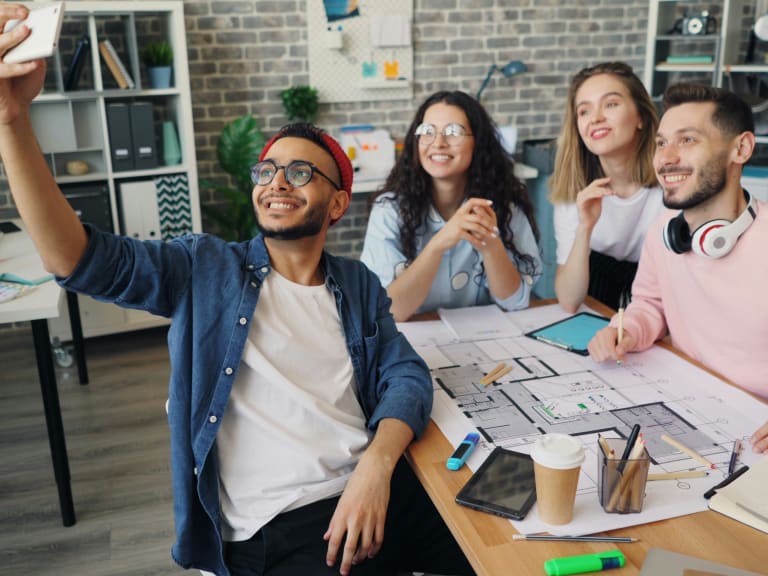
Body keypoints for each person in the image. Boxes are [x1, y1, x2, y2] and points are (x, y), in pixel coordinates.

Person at [0, 6, 474, 575]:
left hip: (378, 489)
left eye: (301, 173)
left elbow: (407, 376)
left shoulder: (356, 284)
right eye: (267, 171)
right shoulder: (204, 269)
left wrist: (375, 466)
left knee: (504, 542)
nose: (277, 182)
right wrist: (10, 120)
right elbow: (76, 258)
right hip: (287, 526)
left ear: (338, 203)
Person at [587, 83, 768, 454]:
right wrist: (628, 331)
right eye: (661, 143)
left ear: (741, 148)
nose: (666, 158)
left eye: (687, 141)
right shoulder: (664, 234)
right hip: (692, 406)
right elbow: (649, 304)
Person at [360, 90, 541, 322]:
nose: (438, 143)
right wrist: (439, 244)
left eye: (453, 132)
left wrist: (491, 244)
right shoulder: (389, 211)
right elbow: (390, 310)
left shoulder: (505, 208)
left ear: (478, 142)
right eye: (427, 132)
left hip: (484, 340)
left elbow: (515, 302)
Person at [550, 62, 663, 312]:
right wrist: (585, 227)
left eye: (611, 104)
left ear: (641, 117)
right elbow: (569, 301)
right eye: (584, 111)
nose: (596, 118)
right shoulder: (574, 194)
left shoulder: (673, 184)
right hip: (596, 311)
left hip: (660, 310)